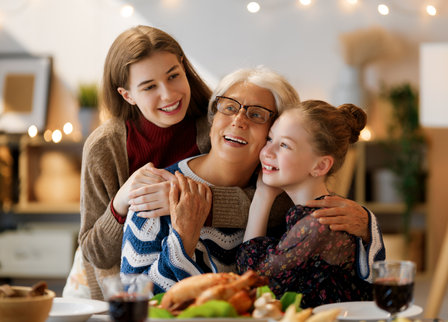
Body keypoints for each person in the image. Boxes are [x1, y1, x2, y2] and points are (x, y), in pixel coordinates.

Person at [120, 69, 384, 295]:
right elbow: (133, 300)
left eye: (257, 114)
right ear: (213, 118)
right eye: (229, 107)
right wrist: (182, 240)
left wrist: (366, 225)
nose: (238, 120)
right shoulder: (158, 193)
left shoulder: (288, 196)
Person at [67, 26, 268, 300]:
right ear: (127, 95)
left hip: (190, 280)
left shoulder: (216, 125)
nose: (169, 94)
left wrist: (193, 203)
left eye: (173, 76)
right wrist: (121, 202)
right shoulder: (105, 146)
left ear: (184, 67)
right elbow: (96, 253)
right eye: (149, 86)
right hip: (109, 288)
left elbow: (275, 204)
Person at [237, 100, 385, 308]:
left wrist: (263, 196)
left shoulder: (320, 222)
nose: (267, 152)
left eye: (284, 145)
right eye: (270, 139)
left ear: (320, 166)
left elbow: (253, 279)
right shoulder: (310, 213)